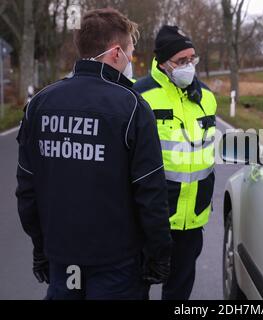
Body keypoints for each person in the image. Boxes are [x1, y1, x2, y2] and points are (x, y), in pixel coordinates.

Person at [15, 8, 172, 300]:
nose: (131, 59)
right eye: (130, 51)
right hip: (118, 264)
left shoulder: (40, 104)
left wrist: (42, 248)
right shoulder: (133, 107)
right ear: (115, 53)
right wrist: (159, 255)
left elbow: (27, 189)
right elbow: (151, 193)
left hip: (63, 259)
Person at [134, 25, 217, 300]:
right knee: (136, 288)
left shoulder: (206, 98)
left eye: (192, 59)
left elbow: (206, 155)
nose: (189, 66)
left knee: (179, 292)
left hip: (191, 220)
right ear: (163, 62)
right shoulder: (139, 96)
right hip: (148, 220)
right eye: (181, 61)